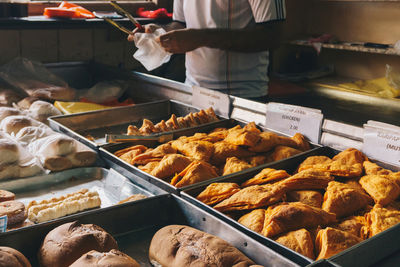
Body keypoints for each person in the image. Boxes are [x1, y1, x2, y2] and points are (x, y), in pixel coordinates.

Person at [128, 0, 286, 101]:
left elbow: (272, 35)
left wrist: (201, 37)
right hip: (193, 91)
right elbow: (181, 24)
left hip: (244, 96)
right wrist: (159, 33)